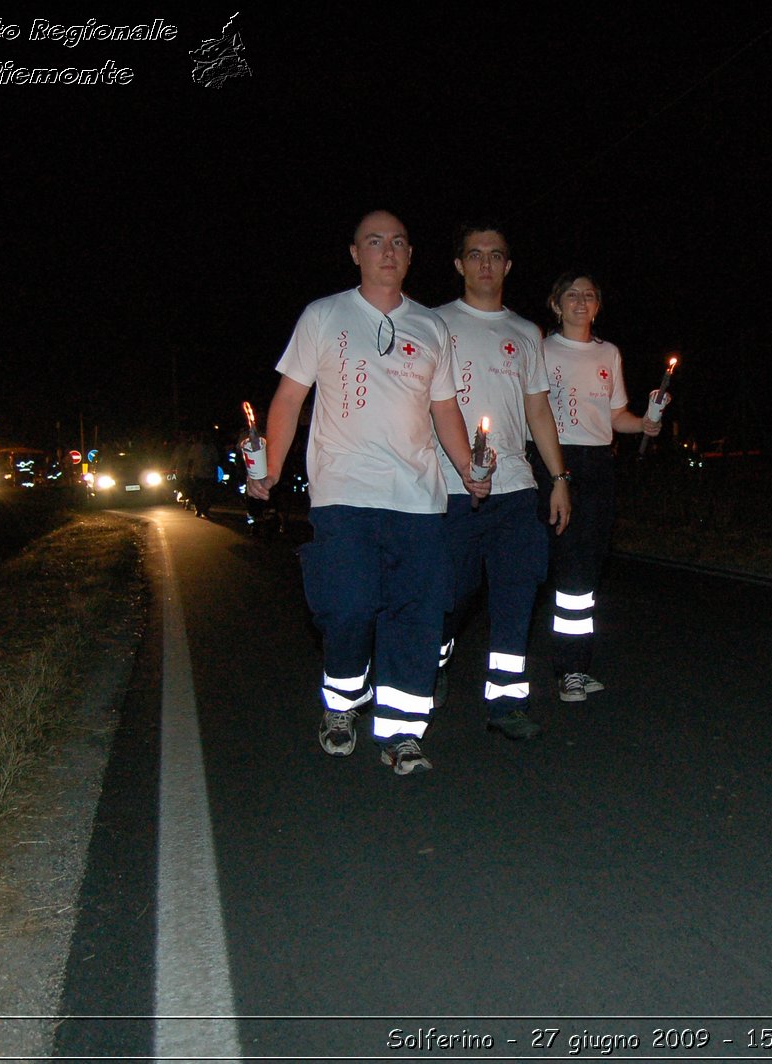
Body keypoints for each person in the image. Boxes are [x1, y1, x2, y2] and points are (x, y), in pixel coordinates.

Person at [247, 210, 491, 775]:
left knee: (416, 616)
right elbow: (288, 398)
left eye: (399, 242)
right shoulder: (324, 316)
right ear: (355, 253)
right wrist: (273, 467)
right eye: (375, 242)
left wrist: (468, 469)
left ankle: (403, 732)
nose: (388, 251)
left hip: (419, 501)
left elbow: (446, 408)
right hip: (344, 495)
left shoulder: (431, 327)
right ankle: (343, 702)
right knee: (348, 606)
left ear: (410, 256)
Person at [433, 224, 572, 740]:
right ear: (459, 264)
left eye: (495, 255)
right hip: (449, 489)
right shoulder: (433, 324)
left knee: (517, 595)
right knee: (450, 594)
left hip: (515, 488)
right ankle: (434, 658)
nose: (485, 264)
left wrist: (557, 478)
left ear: (508, 266)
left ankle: (506, 702)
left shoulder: (525, 332)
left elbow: (538, 408)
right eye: (475, 255)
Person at [536, 271, 665, 703]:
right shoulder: (541, 349)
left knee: (585, 571)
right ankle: (550, 665)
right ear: (556, 304)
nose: (580, 301)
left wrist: (647, 422)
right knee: (553, 565)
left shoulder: (609, 353)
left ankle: (574, 666)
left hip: (597, 465)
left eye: (589, 295)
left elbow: (616, 417)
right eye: (571, 294)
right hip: (553, 461)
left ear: (597, 306)